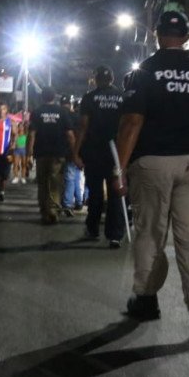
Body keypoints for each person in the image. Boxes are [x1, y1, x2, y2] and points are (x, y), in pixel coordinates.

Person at [114, 9, 189, 340]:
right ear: (188, 37)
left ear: (156, 34)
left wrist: (118, 168)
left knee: (150, 233)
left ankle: (147, 299)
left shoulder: (145, 73)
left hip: (154, 162)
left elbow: (132, 122)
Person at [74, 65, 125, 247]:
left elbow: (83, 126)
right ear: (112, 78)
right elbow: (127, 125)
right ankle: (115, 234)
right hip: (117, 151)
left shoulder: (89, 98)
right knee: (115, 192)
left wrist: (76, 152)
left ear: (96, 79)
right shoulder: (122, 97)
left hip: (94, 150)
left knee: (94, 192)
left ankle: (92, 228)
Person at [27, 88, 75, 225]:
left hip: (41, 153)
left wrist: (29, 154)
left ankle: (44, 212)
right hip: (58, 153)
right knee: (55, 183)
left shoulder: (36, 113)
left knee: (42, 184)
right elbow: (70, 135)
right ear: (54, 97)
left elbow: (31, 135)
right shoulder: (62, 112)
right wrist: (75, 152)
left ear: (42, 97)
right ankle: (53, 210)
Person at [61, 97, 85, 215]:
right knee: (76, 177)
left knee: (69, 178)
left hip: (67, 151)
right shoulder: (77, 117)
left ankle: (67, 204)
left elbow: (69, 136)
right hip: (79, 150)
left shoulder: (62, 116)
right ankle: (79, 201)